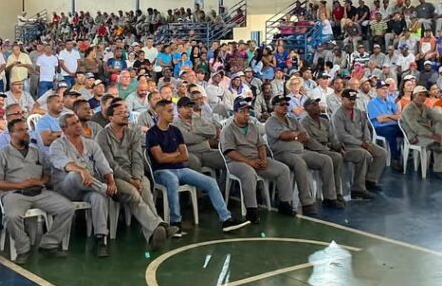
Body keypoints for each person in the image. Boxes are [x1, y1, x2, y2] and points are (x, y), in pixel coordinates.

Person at [0, 118, 79, 264]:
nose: (26, 133)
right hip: (15, 194)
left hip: (39, 192)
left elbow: (47, 174)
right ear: (11, 133)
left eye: (26, 129)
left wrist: (40, 181)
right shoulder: (1, 155)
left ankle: (49, 244)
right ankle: (23, 248)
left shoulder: (36, 152)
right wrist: (21, 184)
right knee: (12, 217)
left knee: (68, 208)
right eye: (20, 130)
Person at [147, 99, 242, 231]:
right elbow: (160, 158)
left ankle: (226, 218)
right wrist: (176, 155)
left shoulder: (175, 131)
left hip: (180, 169)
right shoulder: (152, 133)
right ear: (160, 113)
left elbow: (184, 155)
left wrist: (172, 155)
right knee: (172, 180)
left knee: (210, 182)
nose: (173, 114)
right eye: (169, 111)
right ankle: (176, 222)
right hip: (161, 171)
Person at [96, 101, 172, 249]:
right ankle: (159, 226)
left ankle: (154, 232)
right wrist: (130, 180)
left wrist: (137, 178)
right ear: (110, 118)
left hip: (134, 174)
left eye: (126, 112)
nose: (125, 115)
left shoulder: (132, 134)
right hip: (112, 177)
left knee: (145, 189)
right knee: (134, 193)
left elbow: (137, 158)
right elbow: (109, 164)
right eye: (120, 113)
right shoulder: (102, 136)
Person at [49, 112, 114, 257]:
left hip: (87, 187)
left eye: (78, 121)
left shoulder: (90, 144)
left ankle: (101, 239)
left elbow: (103, 165)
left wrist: (111, 182)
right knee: (75, 175)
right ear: (64, 129)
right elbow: (64, 164)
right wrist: (82, 170)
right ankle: (105, 190)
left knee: (98, 198)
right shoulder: (57, 145)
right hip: (66, 188)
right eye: (73, 124)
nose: (78, 125)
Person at [219, 98, 297, 219]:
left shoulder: (253, 127)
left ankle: (284, 203)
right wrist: (249, 162)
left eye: (247, 111)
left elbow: (261, 145)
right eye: (242, 112)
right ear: (235, 113)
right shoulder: (227, 130)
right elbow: (230, 152)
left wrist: (264, 159)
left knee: (283, 169)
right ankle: (251, 210)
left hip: (256, 159)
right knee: (249, 173)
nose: (246, 114)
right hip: (236, 162)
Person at [265, 95, 343, 210]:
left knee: (326, 160)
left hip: (300, 150)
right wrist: (296, 136)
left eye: (286, 104)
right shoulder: (271, 122)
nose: (285, 106)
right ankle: (306, 202)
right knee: (299, 163)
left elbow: (305, 136)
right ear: (274, 107)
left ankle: (329, 197)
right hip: (282, 153)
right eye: (281, 104)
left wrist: (293, 135)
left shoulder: (292, 119)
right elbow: (283, 135)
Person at [331, 88, 387, 191]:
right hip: (347, 146)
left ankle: (370, 180)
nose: (353, 102)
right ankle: (358, 188)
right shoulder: (337, 115)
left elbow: (366, 128)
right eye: (350, 99)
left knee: (382, 153)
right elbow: (342, 135)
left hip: (362, 142)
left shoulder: (359, 112)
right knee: (364, 155)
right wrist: (360, 143)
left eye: (354, 99)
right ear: (342, 99)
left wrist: (367, 141)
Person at [366, 82, 401, 168]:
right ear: (377, 90)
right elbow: (380, 120)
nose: (385, 90)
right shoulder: (372, 103)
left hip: (394, 125)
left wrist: (388, 116)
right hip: (380, 127)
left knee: (405, 131)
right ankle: (395, 159)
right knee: (392, 133)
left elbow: (400, 116)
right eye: (382, 89)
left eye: (386, 89)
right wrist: (393, 117)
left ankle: (402, 155)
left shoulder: (390, 101)